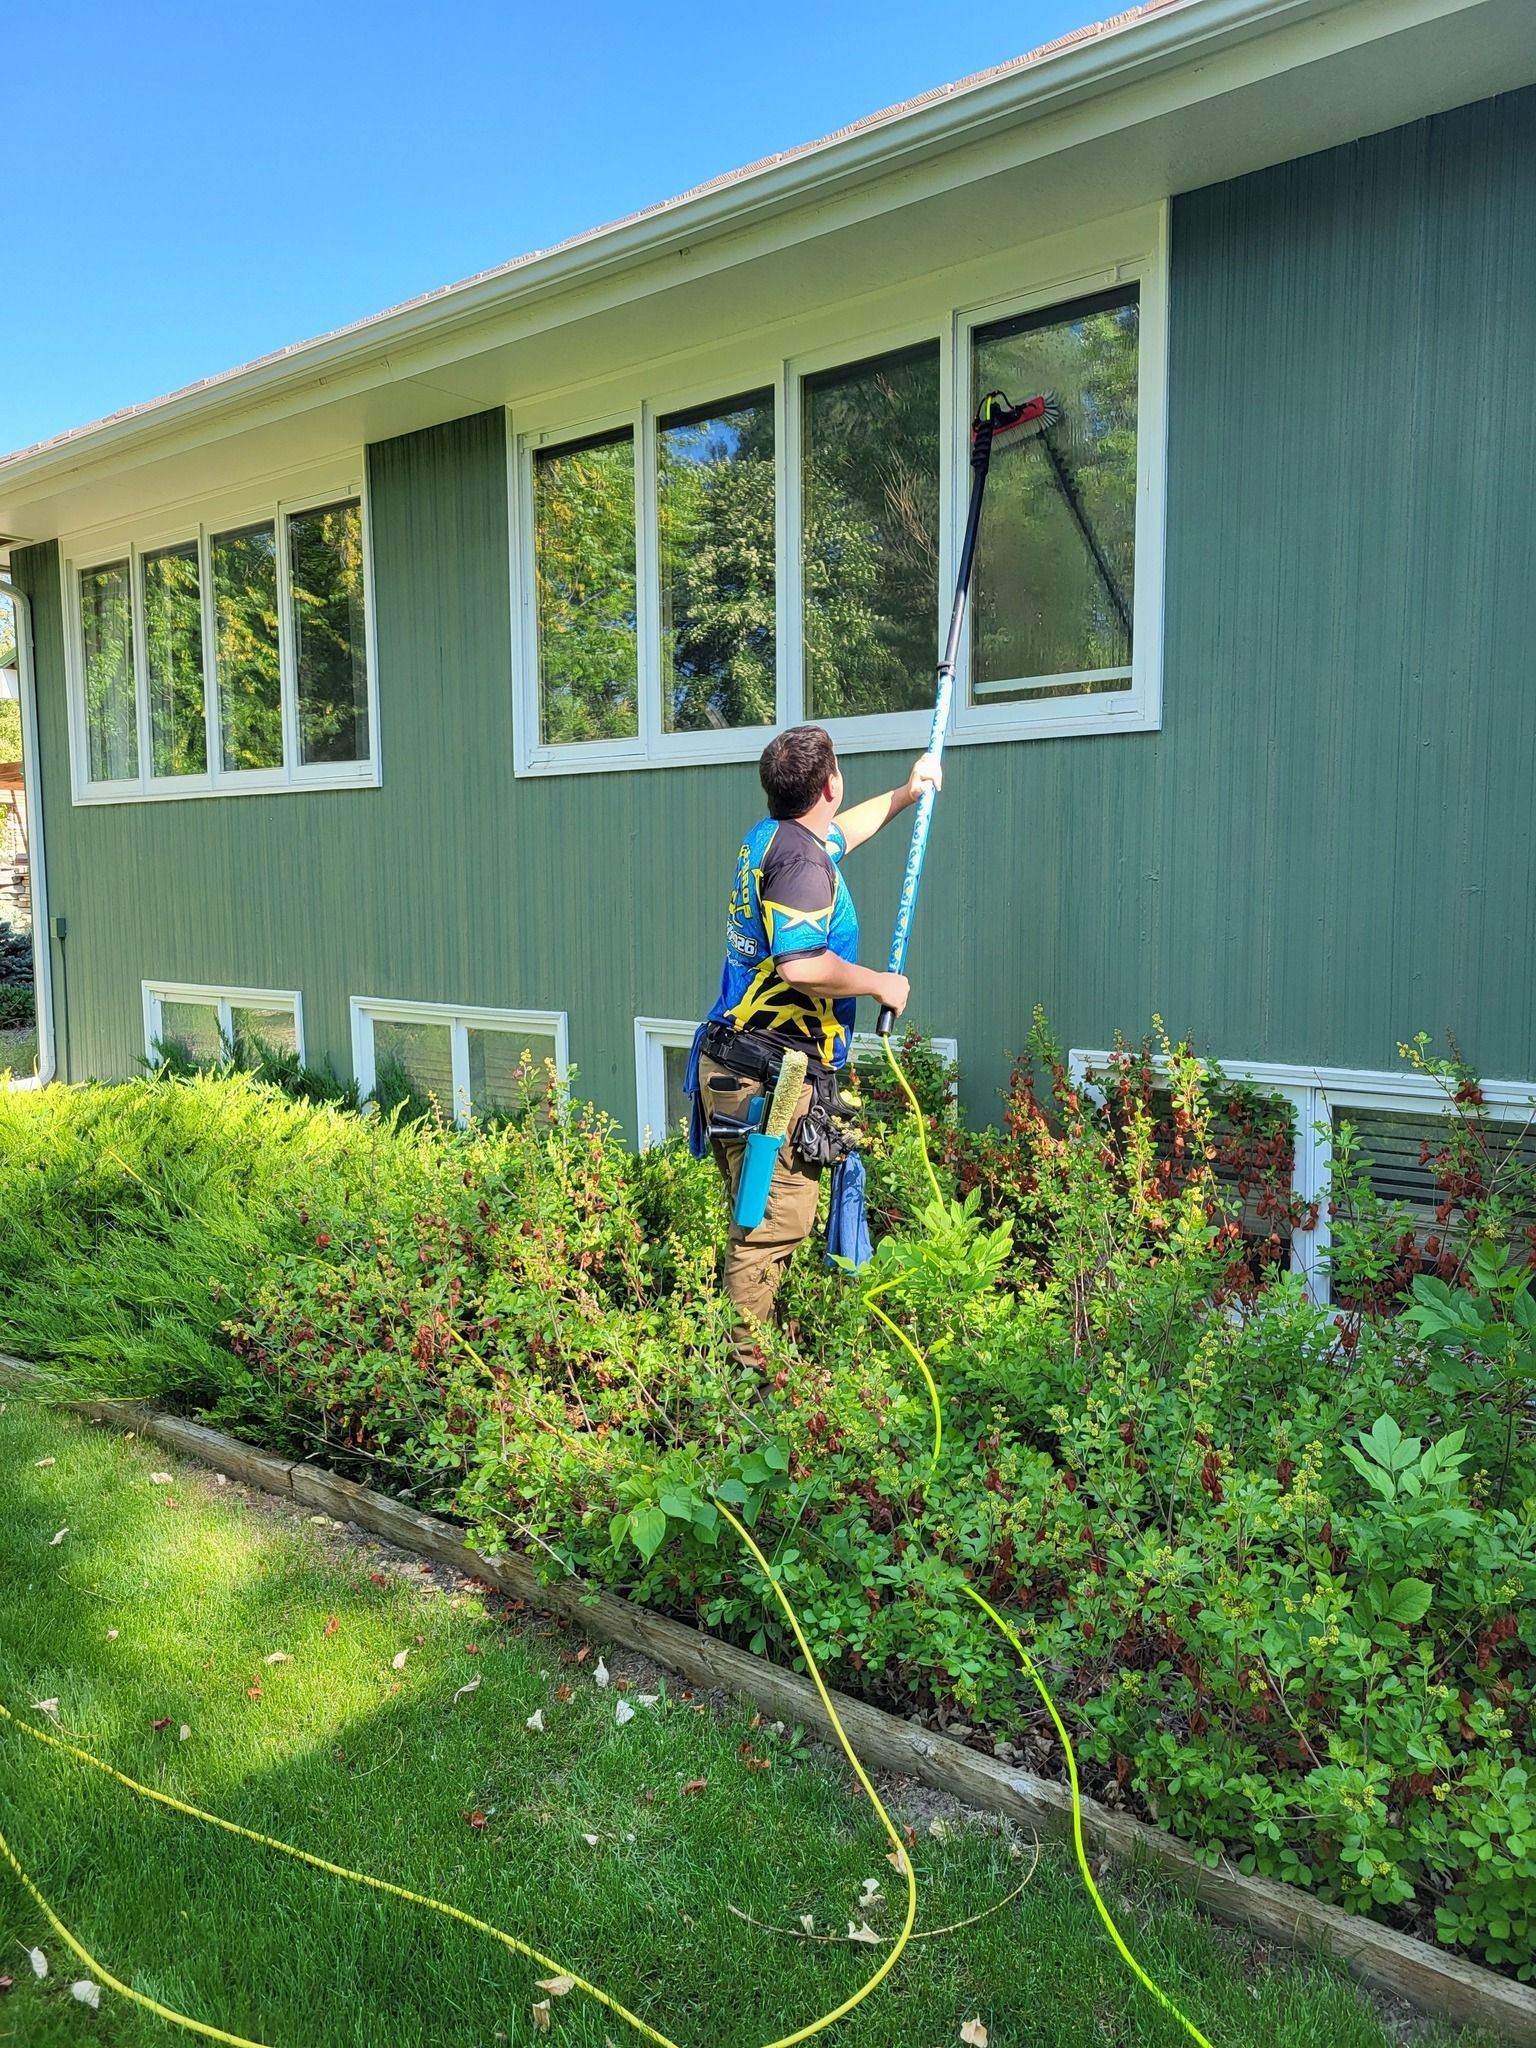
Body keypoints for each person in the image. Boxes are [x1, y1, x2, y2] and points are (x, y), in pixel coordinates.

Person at [691, 723, 941, 1370]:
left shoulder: (777, 838)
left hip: (739, 1063)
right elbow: (801, 965)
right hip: (764, 1079)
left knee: (760, 1218)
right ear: (829, 782)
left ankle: (754, 1354)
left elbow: (843, 832)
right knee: (773, 1225)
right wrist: (881, 984)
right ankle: (746, 1386)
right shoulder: (799, 861)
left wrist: (907, 793)